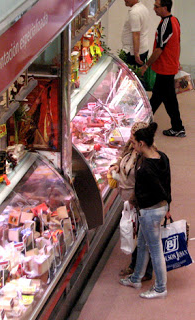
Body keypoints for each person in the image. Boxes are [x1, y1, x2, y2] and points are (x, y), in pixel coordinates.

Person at [119, 122, 171, 299]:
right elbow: (166, 185)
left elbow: (148, 191)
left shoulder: (144, 168)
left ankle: (160, 288)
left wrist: (133, 203)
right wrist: (168, 205)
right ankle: (136, 278)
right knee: (141, 244)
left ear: (141, 143)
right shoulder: (162, 157)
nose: (132, 145)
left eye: (134, 143)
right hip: (160, 207)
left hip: (149, 212)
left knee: (155, 250)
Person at [108, 122, 152, 281]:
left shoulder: (146, 157)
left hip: (139, 201)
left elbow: (143, 181)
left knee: (143, 237)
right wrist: (116, 166)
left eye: (134, 139)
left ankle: (144, 271)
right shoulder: (131, 147)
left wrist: (134, 199)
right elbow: (122, 158)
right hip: (128, 199)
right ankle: (135, 265)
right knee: (134, 233)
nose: (131, 141)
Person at [140, 0, 185, 137]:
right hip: (168, 67)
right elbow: (176, 44)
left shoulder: (166, 24)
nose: (154, 9)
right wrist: (176, 61)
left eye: (156, 6)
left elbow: (159, 49)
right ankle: (176, 126)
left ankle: (143, 123)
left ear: (165, 8)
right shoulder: (175, 21)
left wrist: (146, 65)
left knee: (161, 97)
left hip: (165, 68)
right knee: (163, 97)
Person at [121, 0, 149, 66]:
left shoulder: (134, 12)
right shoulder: (142, 7)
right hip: (143, 49)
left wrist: (136, 54)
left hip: (132, 53)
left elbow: (136, 34)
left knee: (129, 74)